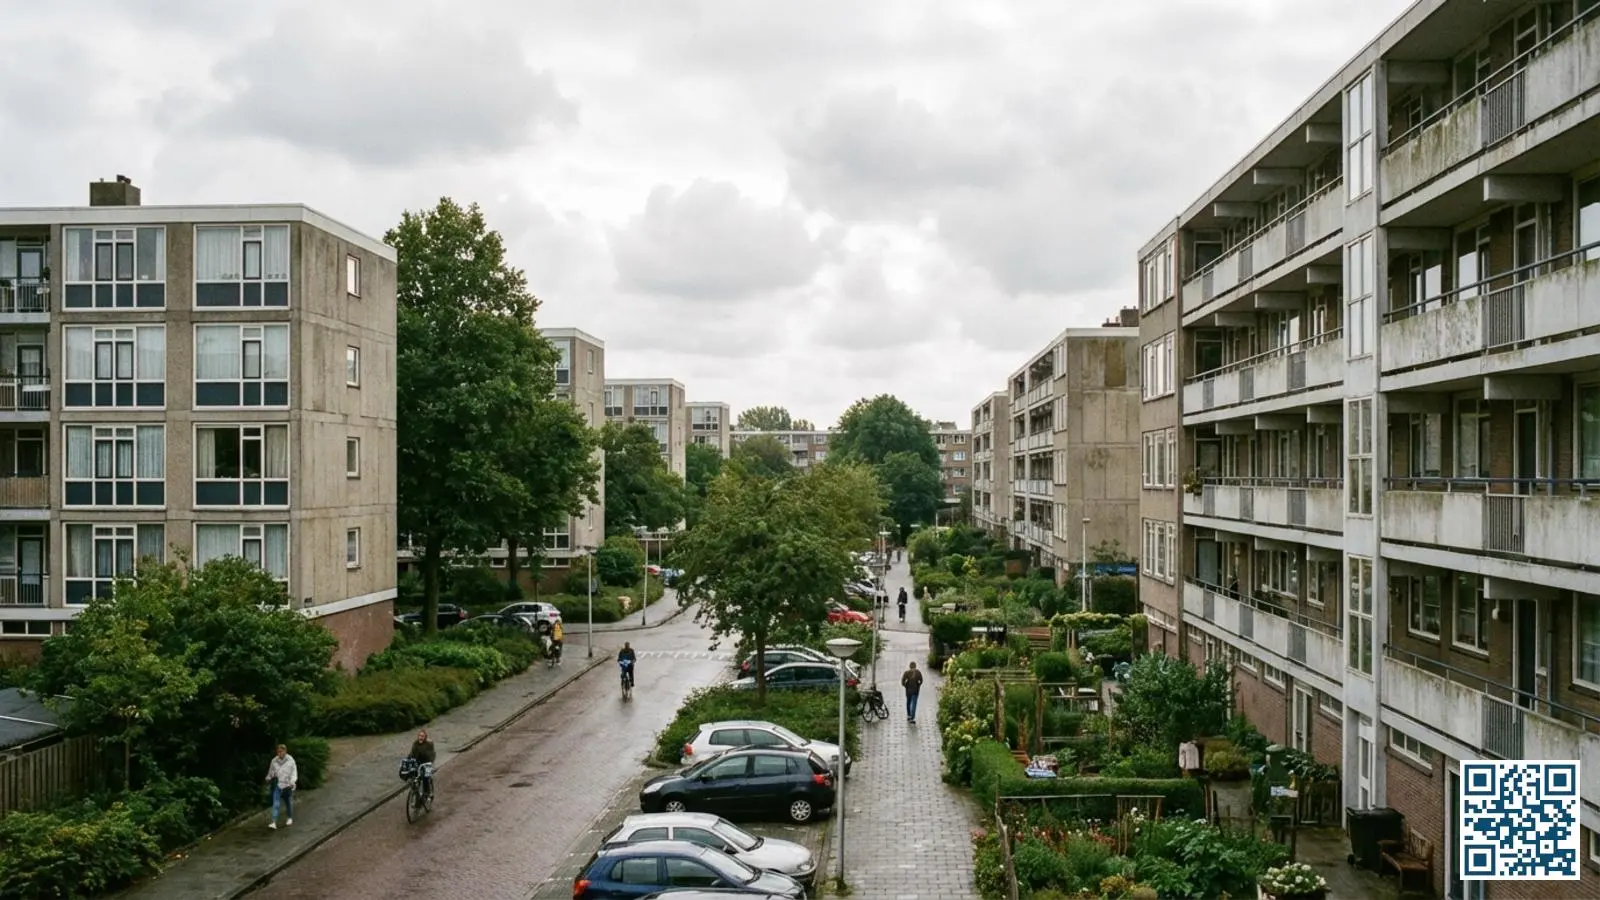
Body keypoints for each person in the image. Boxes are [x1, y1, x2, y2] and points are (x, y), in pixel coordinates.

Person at [265, 744, 297, 829]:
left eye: (281, 751)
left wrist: (292, 781)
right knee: (276, 803)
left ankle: (289, 817)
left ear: (285, 751)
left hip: (287, 785)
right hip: (278, 785)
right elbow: (271, 771)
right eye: (278, 752)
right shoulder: (274, 761)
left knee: (288, 802)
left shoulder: (290, 760)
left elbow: (294, 772)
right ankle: (273, 822)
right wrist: (268, 777)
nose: (279, 753)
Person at [408, 728, 437, 797]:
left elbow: (431, 755)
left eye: (422, 736)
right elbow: (412, 753)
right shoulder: (415, 743)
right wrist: (408, 759)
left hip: (426, 763)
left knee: (425, 777)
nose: (420, 738)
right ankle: (415, 794)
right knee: (413, 777)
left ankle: (427, 793)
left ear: (425, 737)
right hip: (418, 763)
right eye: (420, 736)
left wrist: (430, 762)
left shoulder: (429, 744)